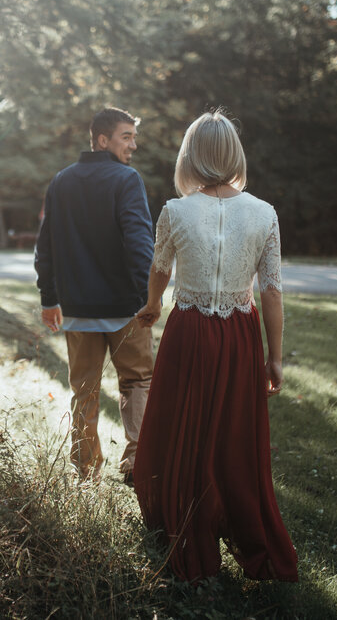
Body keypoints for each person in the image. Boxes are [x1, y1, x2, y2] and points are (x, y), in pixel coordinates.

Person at [132, 111, 298, 583]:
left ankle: (185, 523)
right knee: (232, 431)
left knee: (185, 426)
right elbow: (271, 290)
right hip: (240, 335)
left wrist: (152, 305)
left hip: (189, 332)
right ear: (234, 156)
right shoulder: (264, 213)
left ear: (191, 156)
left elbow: (160, 268)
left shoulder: (175, 211)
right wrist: (275, 357)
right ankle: (239, 522)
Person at [34, 107, 155, 484]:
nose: (133, 145)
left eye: (133, 137)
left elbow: (45, 247)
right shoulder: (126, 180)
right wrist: (148, 298)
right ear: (102, 140)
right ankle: (137, 461)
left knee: (83, 390)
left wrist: (49, 299)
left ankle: (86, 471)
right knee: (136, 382)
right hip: (125, 309)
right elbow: (140, 245)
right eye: (126, 136)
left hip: (78, 311)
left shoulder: (61, 181)